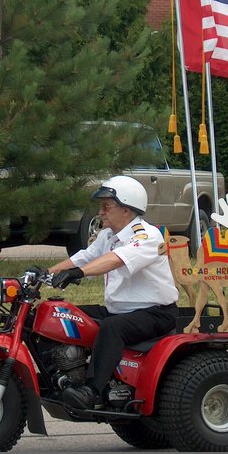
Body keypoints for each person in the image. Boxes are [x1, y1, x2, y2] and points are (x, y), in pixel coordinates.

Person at [47, 175, 179, 410]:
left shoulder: (147, 236)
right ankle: (60, 379)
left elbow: (115, 259)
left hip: (155, 314)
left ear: (127, 210)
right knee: (58, 314)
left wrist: (78, 273)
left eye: (106, 206)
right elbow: (85, 257)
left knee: (112, 328)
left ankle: (92, 391)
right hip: (118, 311)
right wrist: (47, 273)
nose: (101, 212)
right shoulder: (108, 236)